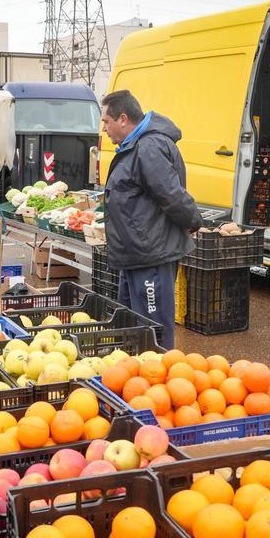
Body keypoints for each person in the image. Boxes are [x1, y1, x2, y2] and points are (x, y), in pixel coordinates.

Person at [99, 90, 203, 349]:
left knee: (153, 331)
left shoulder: (148, 147)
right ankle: (135, 370)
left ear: (123, 119)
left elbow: (171, 195)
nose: (104, 129)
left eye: (106, 122)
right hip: (136, 253)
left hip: (151, 254)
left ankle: (159, 372)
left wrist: (194, 222)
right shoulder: (135, 145)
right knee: (133, 326)